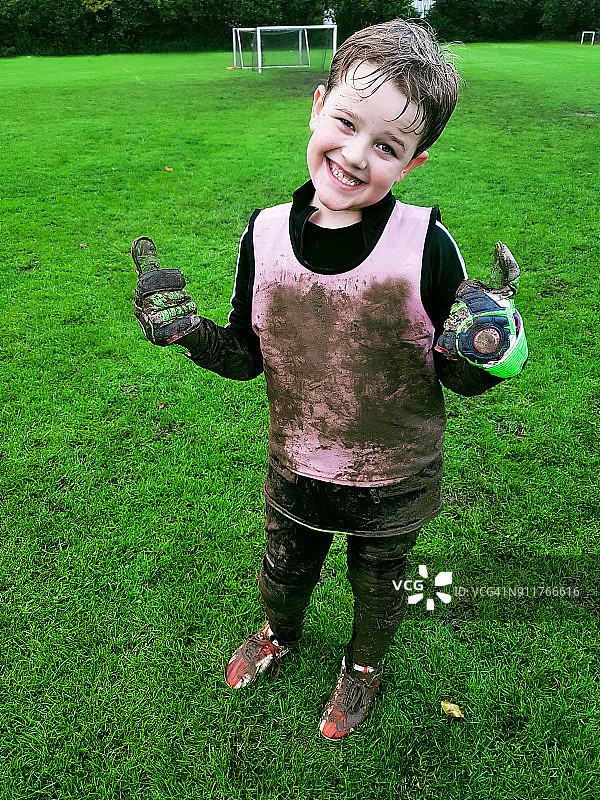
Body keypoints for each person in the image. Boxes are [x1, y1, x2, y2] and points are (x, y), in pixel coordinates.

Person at [131, 18, 528, 741]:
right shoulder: (264, 234)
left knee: (379, 584)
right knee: (284, 570)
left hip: (395, 473)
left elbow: (452, 372)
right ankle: (279, 634)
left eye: (387, 146)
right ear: (318, 106)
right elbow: (246, 355)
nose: (354, 155)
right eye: (346, 122)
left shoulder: (426, 244)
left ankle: (363, 667)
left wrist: (484, 354)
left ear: (412, 163)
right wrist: (188, 331)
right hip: (298, 462)